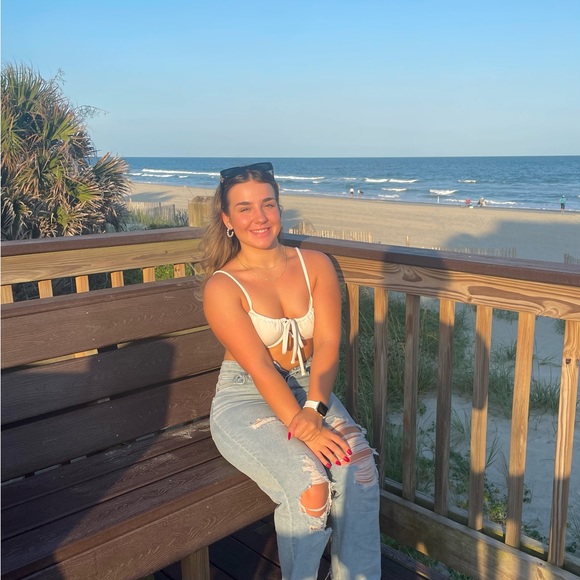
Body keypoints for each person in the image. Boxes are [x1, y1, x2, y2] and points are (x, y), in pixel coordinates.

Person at [200, 162, 381, 579]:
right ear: (227, 220)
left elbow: (329, 343)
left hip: (307, 387)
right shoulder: (223, 286)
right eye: (244, 208)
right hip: (245, 397)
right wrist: (308, 429)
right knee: (310, 488)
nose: (259, 217)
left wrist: (314, 409)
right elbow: (260, 367)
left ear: (280, 208)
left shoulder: (315, 264)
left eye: (268, 204)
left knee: (360, 469)